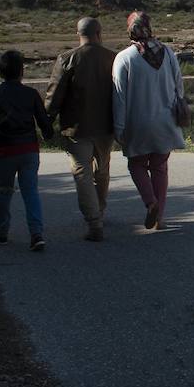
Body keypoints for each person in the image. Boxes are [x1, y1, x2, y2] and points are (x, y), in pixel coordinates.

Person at [112, 11, 186, 230]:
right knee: (160, 167)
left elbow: (119, 96)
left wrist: (118, 127)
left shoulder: (124, 58)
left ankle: (150, 202)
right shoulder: (168, 53)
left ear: (130, 30)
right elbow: (179, 88)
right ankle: (159, 218)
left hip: (138, 123)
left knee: (136, 164)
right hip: (166, 122)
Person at [45, 16, 117, 242]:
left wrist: (46, 120)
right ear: (99, 33)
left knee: (82, 174)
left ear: (78, 34)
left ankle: (94, 221)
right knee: (102, 171)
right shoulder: (113, 58)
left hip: (76, 128)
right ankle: (100, 211)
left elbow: (54, 95)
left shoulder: (67, 59)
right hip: (106, 126)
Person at [0, 50, 54, 252]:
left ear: (0, 72)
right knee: (30, 192)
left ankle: (2, 231)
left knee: (4, 191)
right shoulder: (30, 94)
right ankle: (36, 234)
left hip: (5, 150)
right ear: (22, 71)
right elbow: (43, 121)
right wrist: (48, 134)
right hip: (28, 149)